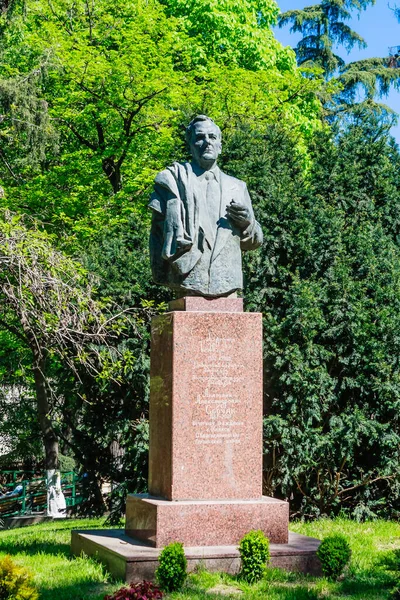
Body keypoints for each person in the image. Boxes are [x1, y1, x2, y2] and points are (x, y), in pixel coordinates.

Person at [149, 115, 263, 298]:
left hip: (227, 281)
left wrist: (247, 223)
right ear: (191, 144)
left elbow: (254, 241)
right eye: (200, 137)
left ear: (220, 145)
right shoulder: (172, 182)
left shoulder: (238, 187)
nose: (207, 142)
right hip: (187, 278)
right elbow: (156, 236)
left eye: (212, 137)